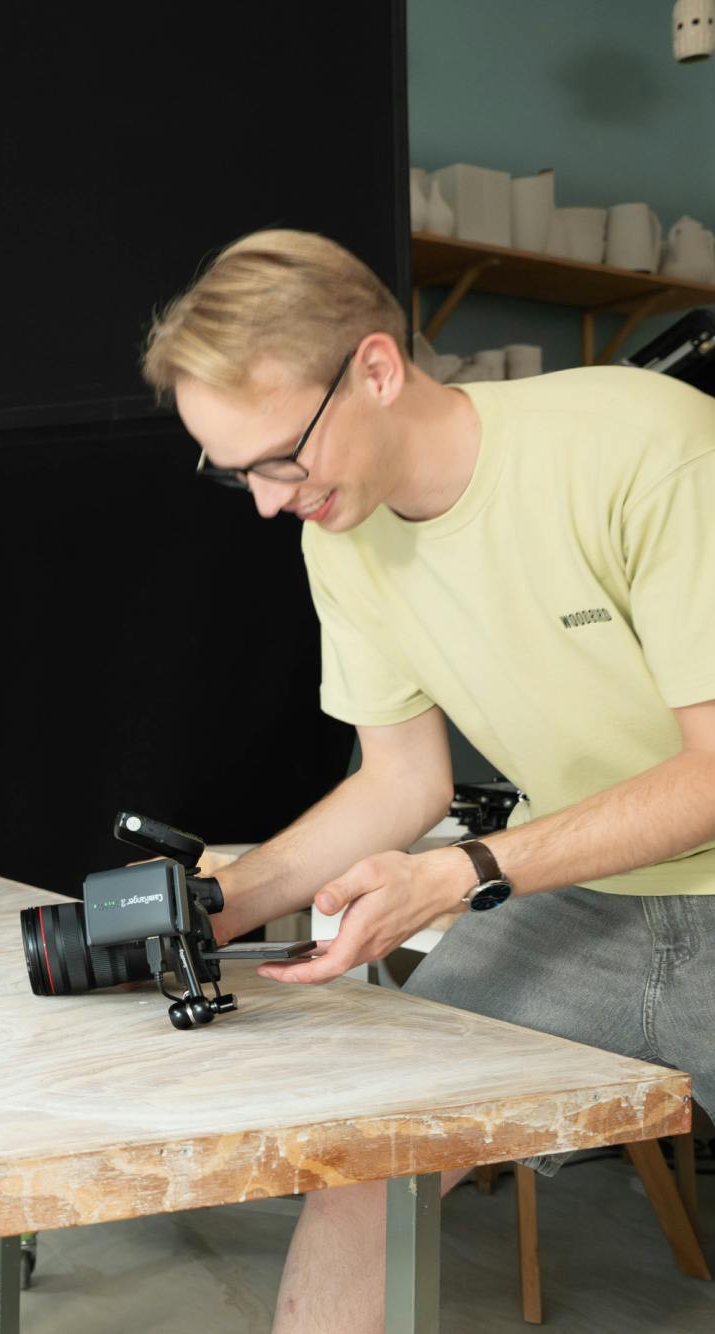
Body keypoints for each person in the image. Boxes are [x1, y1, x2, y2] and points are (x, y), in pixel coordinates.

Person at [141, 230, 715, 1332]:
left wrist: (461, 873)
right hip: (582, 894)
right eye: (234, 470)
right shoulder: (341, 536)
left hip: (617, 869)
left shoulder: (648, 447)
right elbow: (400, 781)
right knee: (373, 1162)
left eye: (278, 458)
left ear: (375, 369)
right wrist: (219, 905)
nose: (265, 501)